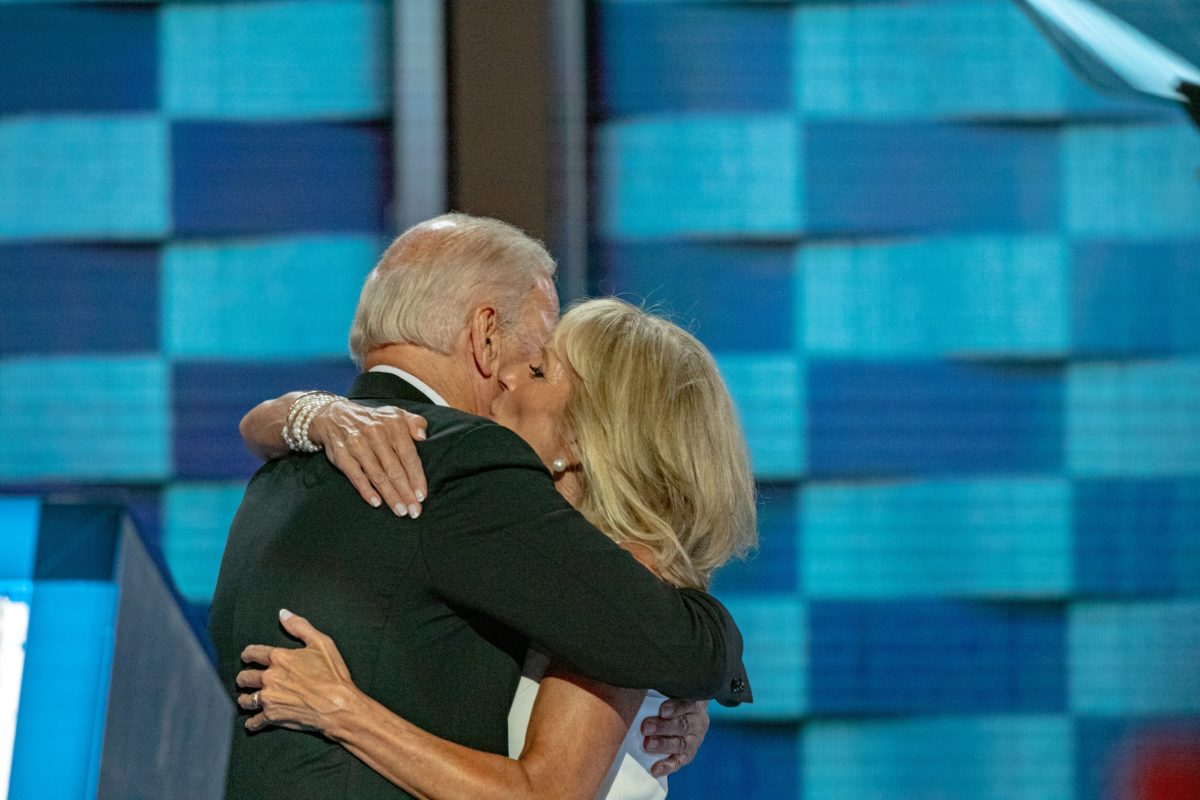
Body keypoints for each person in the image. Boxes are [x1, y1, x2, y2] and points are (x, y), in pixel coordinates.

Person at [208, 214, 752, 800]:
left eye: (543, 371)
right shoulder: (465, 461)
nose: (520, 377)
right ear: (485, 335)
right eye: (537, 356)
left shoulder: (283, 472)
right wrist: (697, 663)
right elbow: (670, 643)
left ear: (590, 434)